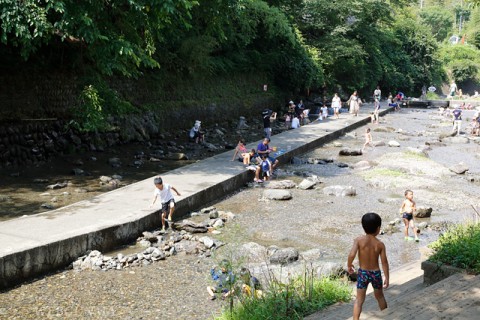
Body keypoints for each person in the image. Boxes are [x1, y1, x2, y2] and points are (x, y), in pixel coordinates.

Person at [347, 212, 389, 320]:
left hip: (363, 273)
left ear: (363, 227)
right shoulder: (380, 244)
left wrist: (349, 265)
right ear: (378, 228)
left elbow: (352, 254)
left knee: (359, 300)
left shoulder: (359, 240)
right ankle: (387, 316)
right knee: (380, 297)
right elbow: (384, 262)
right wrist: (387, 278)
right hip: (375, 273)